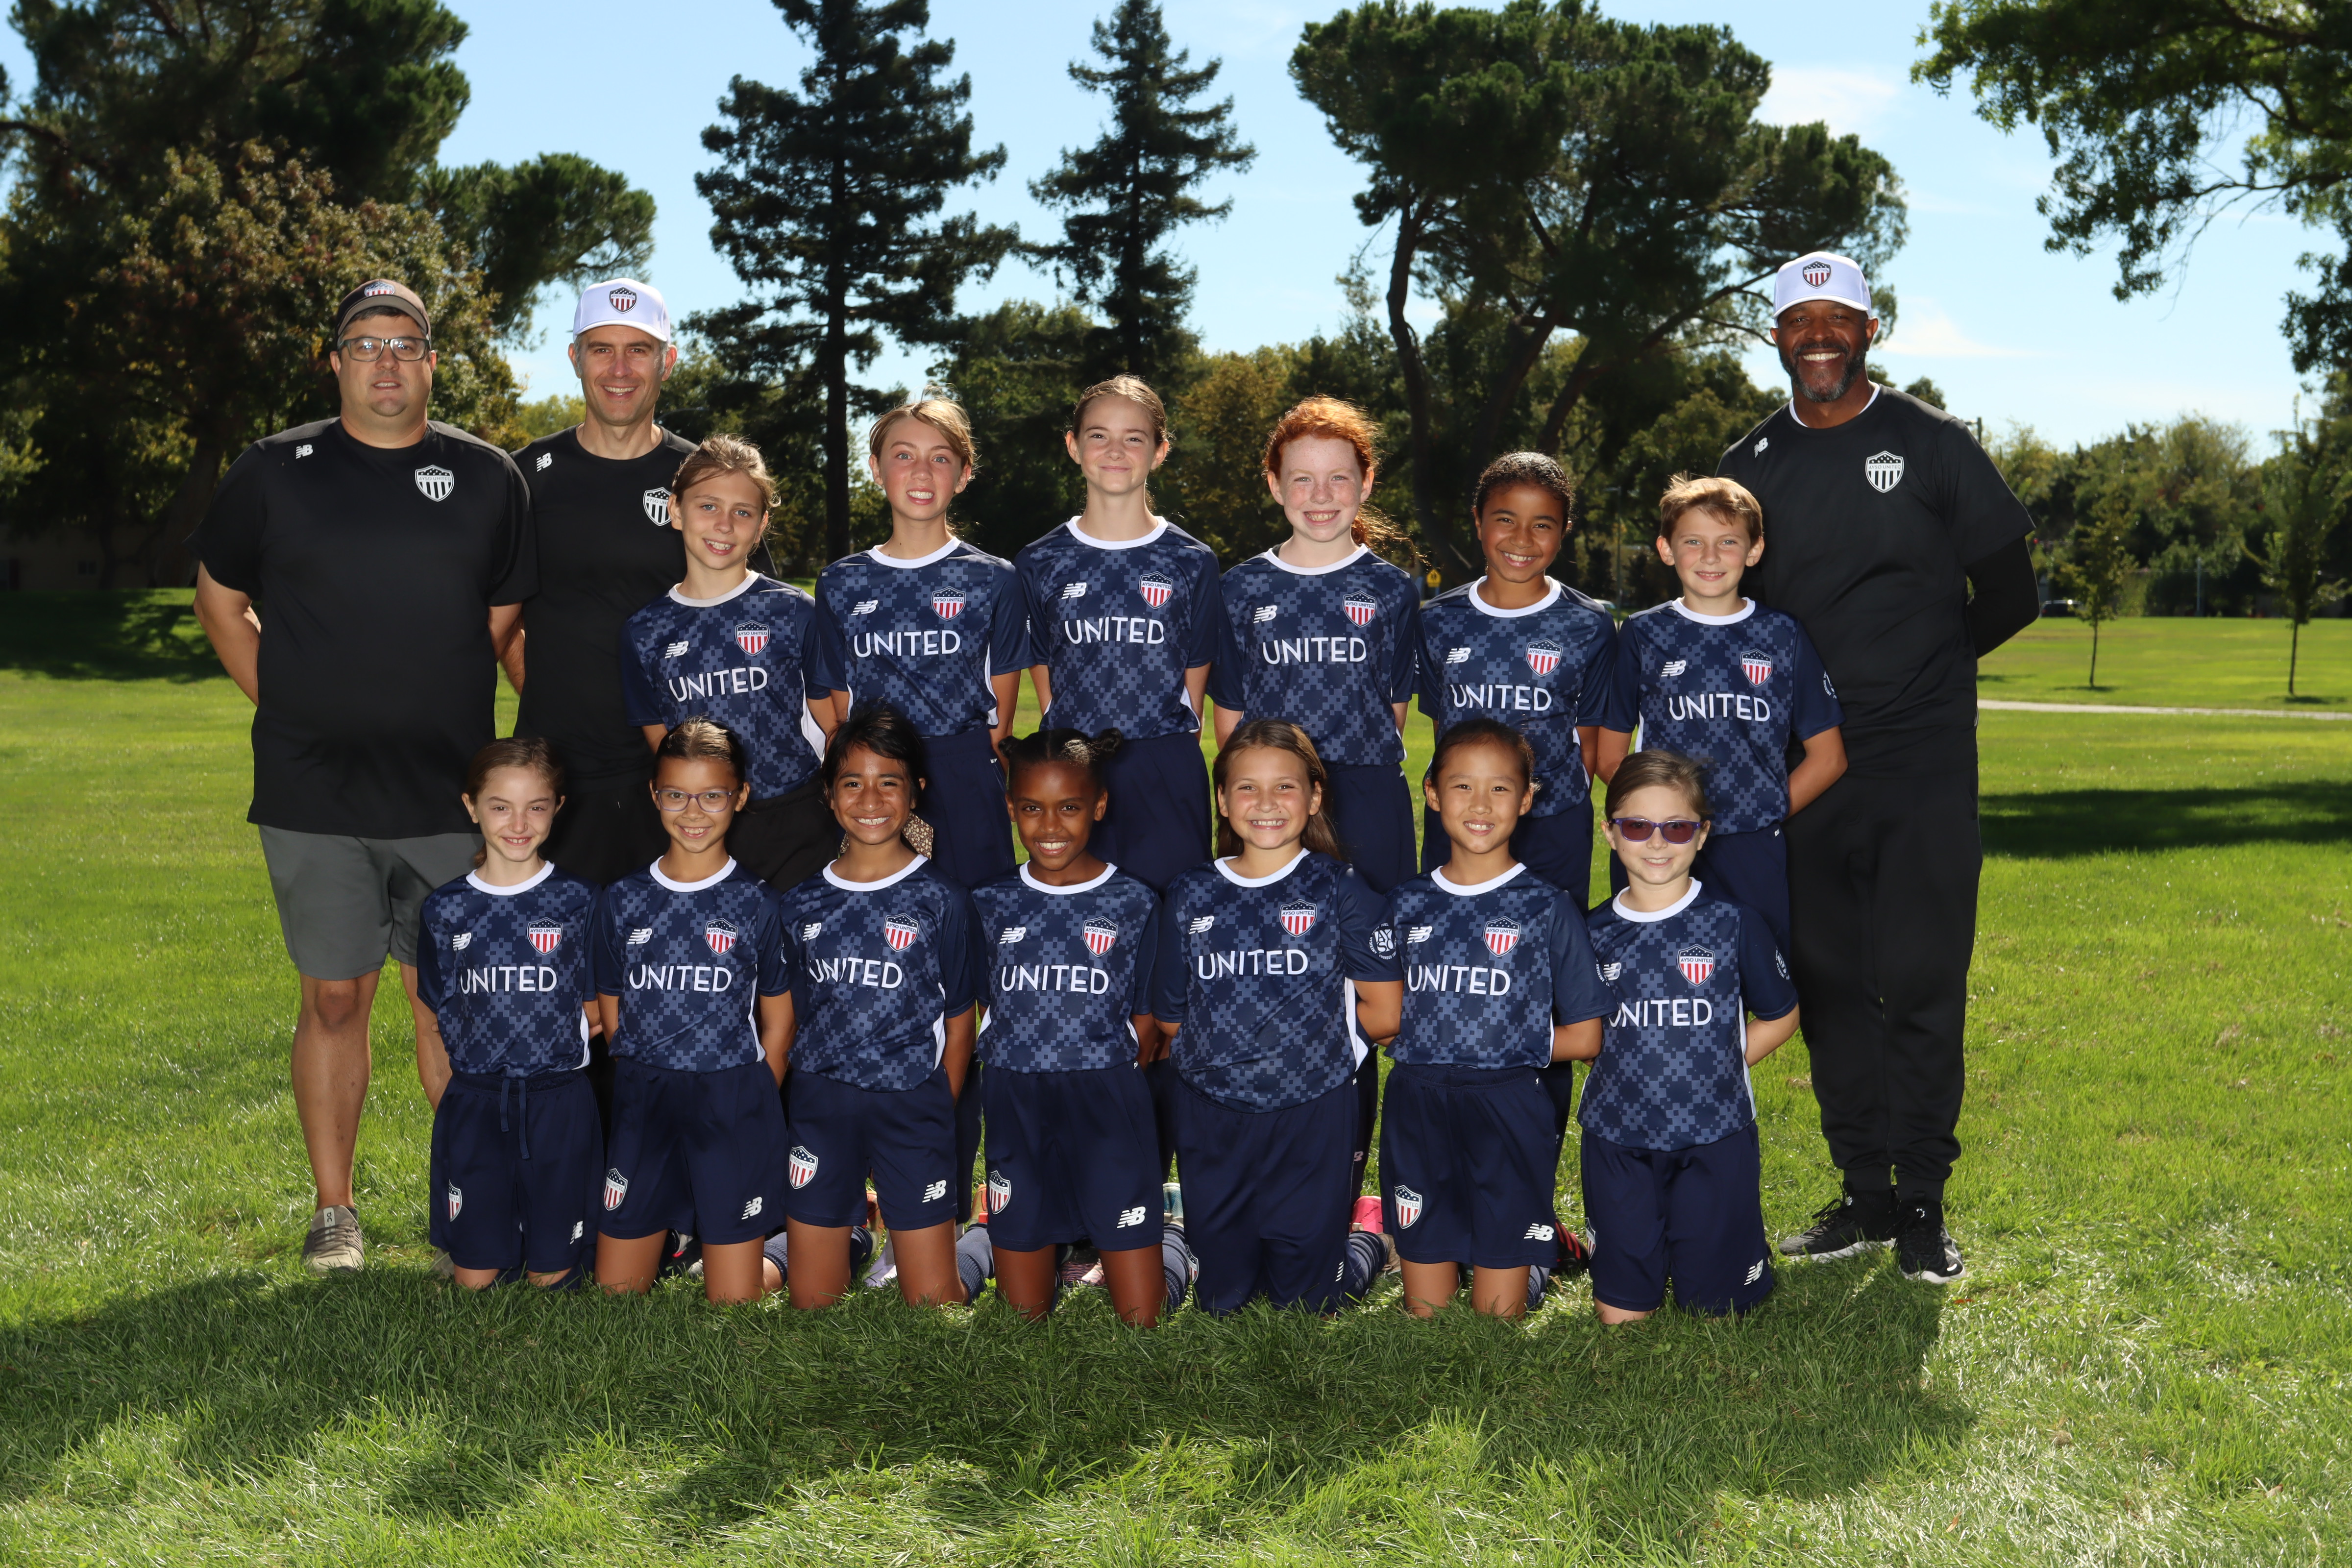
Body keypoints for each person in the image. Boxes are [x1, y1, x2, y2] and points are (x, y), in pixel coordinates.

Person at [189, 278, 535, 1273]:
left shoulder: (488, 477)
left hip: (446, 793)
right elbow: (219, 599)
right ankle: (335, 1211)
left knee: (449, 1002)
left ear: (432, 362)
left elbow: (501, 616)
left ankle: (474, 1206)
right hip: (315, 792)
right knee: (334, 998)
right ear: (336, 361)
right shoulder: (272, 470)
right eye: (366, 343)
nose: (387, 361)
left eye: (406, 343)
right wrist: (291, 702)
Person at [1716, 251, 2037, 1284]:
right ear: (1777, 336)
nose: (1819, 336)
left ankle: (1925, 1203)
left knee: (1922, 977)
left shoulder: (1934, 442)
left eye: (1837, 318)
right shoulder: (1750, 463)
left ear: (1870, 329)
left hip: (1922, 763)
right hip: (1807, 768)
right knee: (1830, 983)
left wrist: (1927, 674)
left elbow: (2014, 592)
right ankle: (1863, 1192)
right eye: (1799, 320)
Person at [1150, 720, 1402, 1315]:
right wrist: (1229, 1055)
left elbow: (1386, 1011)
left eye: (1284, 786)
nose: (1266, 803)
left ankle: (1368, 1242)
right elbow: (1172, 1018)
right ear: (1222, 799)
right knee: (1224, 1298)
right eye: (1247, 787)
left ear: (1314, 797)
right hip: (1212, 1110)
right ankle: (1178, 1236)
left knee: (1307, 1301)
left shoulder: (1340, 888)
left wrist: (1308, 1052)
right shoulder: (1189, 893)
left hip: (1313, 1109)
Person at [1378, 720, 1608, 1319]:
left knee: (1497, 1317)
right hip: (1419, 1105)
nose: (1480, 804)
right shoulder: (1405, 903)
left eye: (1500, 788)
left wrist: (1496, 1044)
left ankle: (1537, 1262)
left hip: (1508, 1106)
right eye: (1463, 786)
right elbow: (1382, 1014)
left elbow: (1587, 1035)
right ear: (1432, 793)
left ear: (1527, 799)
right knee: (1425, 1312)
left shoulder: (1548, 907)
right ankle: (1382, 1243)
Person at [773, 705, 994, 1310]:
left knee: (934, 1304)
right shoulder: (800, 903)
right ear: (829, 793)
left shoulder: (944, 900)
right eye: (852, 782)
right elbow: (794, 1016)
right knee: (812, 1302)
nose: (870, 799)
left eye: (888, 781)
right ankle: (849, 1239)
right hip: (822, 1108)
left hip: (911, 1107)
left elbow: (960, 1021)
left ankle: (980, 1244)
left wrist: (935, 1107)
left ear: (916, 791)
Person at [1575, 750, 1801, 1322]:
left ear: (1702, 834)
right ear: (1610, 832)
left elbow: (1782, 1014)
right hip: (1618, 1140)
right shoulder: (1589, 933)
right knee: (1622, 1317)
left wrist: (1727, 1064)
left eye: (1676, 827)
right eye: (1637, 826)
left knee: (1718, 1311)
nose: (1657, 842)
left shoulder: (1734, 923)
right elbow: (1579, 1029)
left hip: (1714, 1137)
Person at [1594, 475, 1847, 952]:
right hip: (1661, 845)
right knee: (1651, 971)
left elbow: (1829, 757)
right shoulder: (1644, 634)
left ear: (1755, 550)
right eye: (1693, 541)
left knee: (1748, 974)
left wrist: (1764, 812)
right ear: (1666, 549)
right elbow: (1610, 756)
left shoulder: (1783, 635)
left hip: (1750, 848)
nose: (1710, 556)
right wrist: (1656, 817)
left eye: (1728, 542)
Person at [590, 719, 793, 1305]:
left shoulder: (758, 902)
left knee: (733, 1299)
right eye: (677, 794)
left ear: (740, 796)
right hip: (646, 1102)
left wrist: (752, 1097)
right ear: (655, 795)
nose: (694, 811)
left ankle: (809, 1247)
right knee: (615, 1292)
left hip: (729, 1101)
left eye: (712, 795)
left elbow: (779, 1021)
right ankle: (677, 1237)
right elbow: (613, 1010)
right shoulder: (623, 899)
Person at [507, 279, 696, 886]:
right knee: (561, 942)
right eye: (601, 349)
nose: (619, 369)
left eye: (638, 349)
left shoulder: (702, 479)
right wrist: (552, 696)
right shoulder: (524, 477)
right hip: (556, 773)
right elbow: (498, 617)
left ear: (667, 360)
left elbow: (752, 617)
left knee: (674, 940)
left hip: (679, 776)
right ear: (575, 358)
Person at [812, 399, 1032, 893]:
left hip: (964, 775)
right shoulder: (841, 583)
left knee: (975, 918)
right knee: (888, 920)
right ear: (876, 469)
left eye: (940, 457)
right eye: (904, 455)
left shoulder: (994, 579)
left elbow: (1001, 721)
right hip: (878, 777)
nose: (922, 471)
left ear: (964, 474)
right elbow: (841, 709)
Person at [1015, 376, 1221, 895]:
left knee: (1175, 917)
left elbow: (1194, 679)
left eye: (1134, 438)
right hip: (1073, 770)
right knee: (1083, 921)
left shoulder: (1192, 561)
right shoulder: (1039, 561)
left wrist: (1163, 749)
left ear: (1159, 451)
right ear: (1073, 445)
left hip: (1164, 768)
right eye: (1099, 435)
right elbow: (1043, 664)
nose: (1115, 451)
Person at [1210, 398, 1421, 895]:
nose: (1320, 495)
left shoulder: (1392, 589)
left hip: (1368, 800)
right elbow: (1230, 726)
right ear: (1275, 485)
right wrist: (1276, 788)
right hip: (1273, 804)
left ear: (1366, 483)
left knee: (1373, 935)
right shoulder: (1241, 588)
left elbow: (1392, 714)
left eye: (1338, 478)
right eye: (1302, 478)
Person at [413, 738, 601, 1290]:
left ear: (557, 807)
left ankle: (552, 1245)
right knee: (475, 1282)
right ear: (471, 806)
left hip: (556, 1098)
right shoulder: (445, 908)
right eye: (500, 806)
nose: (519, 824)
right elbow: (439, 1009)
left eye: (536, 806)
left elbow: (596, 1010)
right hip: (478, 1101)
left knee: (552, 1279)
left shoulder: (580, 901)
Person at [620, 435, 836, 894]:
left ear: (761, 526)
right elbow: (662, 743)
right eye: (708, 506)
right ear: (675, 510)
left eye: (743, 512)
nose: (724, 524)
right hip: (703, 828)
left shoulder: (795, 612)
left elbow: (833, 725)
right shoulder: (645, 631)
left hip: (798, 826)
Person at [1414, 453, 1616, 900]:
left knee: (1552, 942)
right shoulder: (1438, 620)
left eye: (1542, 524)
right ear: (1478, 520)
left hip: (1553, 826)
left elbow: (1588, 740)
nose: (1522, 538)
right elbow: (1444, 728)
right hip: (1461, 823)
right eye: (1505, 519)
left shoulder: (1589, 624)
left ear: (1564, 531)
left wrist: (1555, 808)